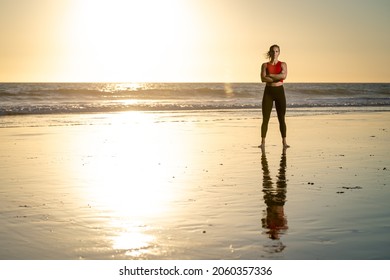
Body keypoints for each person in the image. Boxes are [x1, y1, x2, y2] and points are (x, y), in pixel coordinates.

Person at [259, 45, 289, 148]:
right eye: (273, 51)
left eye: (277, 51)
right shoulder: (265, 65)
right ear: (270, 53)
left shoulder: (283, 64)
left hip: (279, 92)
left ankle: (284, 143)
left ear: (279, 52)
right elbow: (263, 79)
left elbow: (284, 76)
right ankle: (263, 143)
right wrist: (277, 77)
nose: (275, 53)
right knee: (265, 119)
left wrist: (270, 75)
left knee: (281, 118)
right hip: (268, 92)